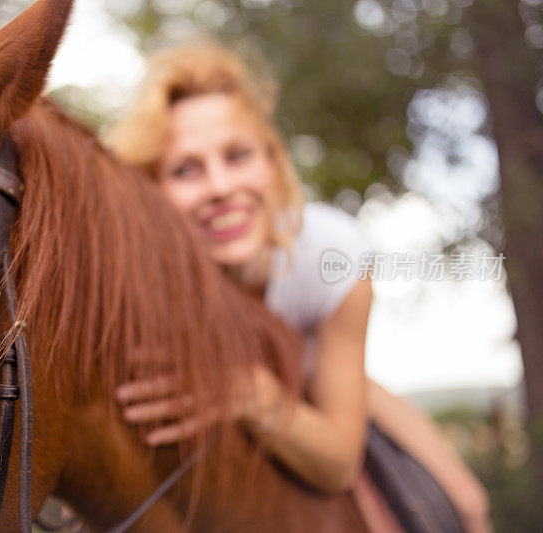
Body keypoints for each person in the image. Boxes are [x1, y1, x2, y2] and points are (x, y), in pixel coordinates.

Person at [105, 43, 491, 532]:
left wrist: (246, 393)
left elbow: (338, 462)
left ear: (271, 161)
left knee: (468, 502)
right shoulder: (135, 279)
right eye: (186, 170)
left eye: (238, 155)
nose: (221, 186)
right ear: (153, 191)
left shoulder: (332, 253)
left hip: (320, 373)